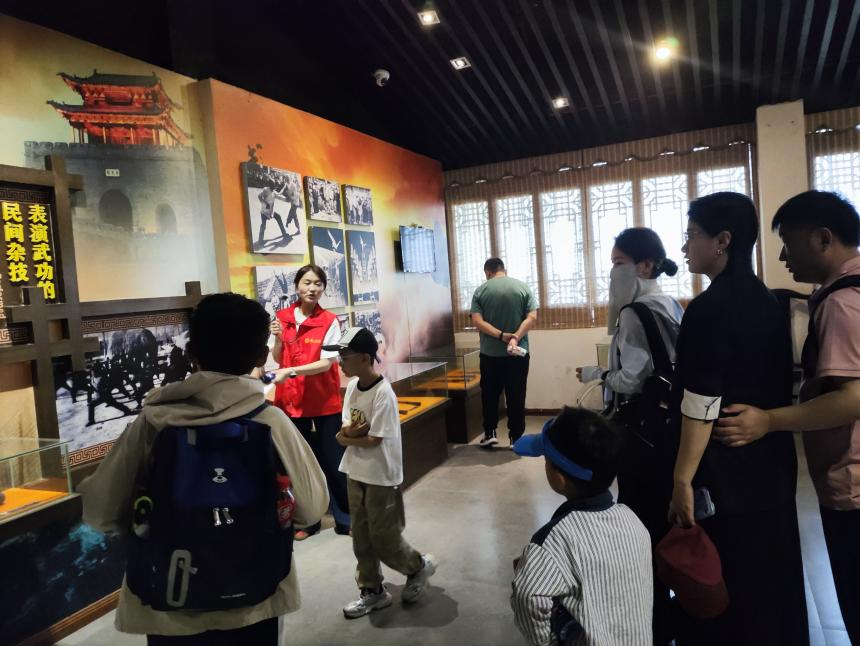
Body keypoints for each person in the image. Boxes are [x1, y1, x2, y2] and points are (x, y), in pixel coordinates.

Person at [78, 293, 329, 645]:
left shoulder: (154, 421)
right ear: (261, 356)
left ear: (192, 353)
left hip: (169, 601)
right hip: (254, 597)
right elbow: (312, 508)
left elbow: (100, 511)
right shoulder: (269, 420)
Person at [713, 190, 860, 643]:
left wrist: (769, 420)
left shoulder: (841, 302)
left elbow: (853, 399)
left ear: (823, 238)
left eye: (789, 243)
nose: (782, 256)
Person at [666, 192, 808, 645]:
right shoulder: (767, 300)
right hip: (770, 465)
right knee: (771, 582)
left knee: (729, 584)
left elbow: (701, 401)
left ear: (723, 240)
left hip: (726, 467)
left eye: (692, 235)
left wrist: (682, 478)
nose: (685, 247)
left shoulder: (710, 308)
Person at [576, 227, 683, 646]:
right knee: (660, 515)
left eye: (619, 264)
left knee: (639, 517)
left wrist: (601, 376)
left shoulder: (634, 313)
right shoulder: (670, 304)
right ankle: (668, 609)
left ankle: (647, 616)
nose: (612, 273)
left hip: (639, 432)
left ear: (645, 266)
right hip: (668, 428)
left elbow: (632, 379)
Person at [511, 407, 653, 646]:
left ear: (559, 479)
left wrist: (547, 642)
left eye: (547, 460)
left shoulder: (552, 542)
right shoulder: (633, 521)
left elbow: (528, 595)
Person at [327, 327, 438, 619]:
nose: (340, 363)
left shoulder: (383, 393)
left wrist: (347, 438)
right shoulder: (353, 387)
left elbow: (373, 439)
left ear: (365, 359)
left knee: (384, 537)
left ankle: (418, 566)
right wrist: (351, 435)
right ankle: (372, 590)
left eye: (345, 357)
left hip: (380, 475)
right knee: (361, 537)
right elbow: (348, 427)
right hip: (355, 470)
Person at [270, 264, 350, 538]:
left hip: (324, 401)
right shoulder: (282, 318)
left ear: (323, 288)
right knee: (298, 465)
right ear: (297, 286)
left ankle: (345, 517)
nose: (312, 288)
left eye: (318, 283)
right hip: (291, 402)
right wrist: (278, 339)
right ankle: (308, 520)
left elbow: (327, 363)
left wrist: (291, 371)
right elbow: (277, 357)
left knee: (334, 461)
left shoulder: (329, 321)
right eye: (307, 282)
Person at [470, 257, 538, 448]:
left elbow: (478, 321)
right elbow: (532, 318)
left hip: (490, 355)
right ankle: (516, 438)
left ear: (488, 272)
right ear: (504, 270)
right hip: (518, 354)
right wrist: (515, 337)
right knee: (517, 395)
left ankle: (490, 433)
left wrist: (501, 336)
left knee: (489, 395)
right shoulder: (522, 288)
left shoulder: (481, 291)